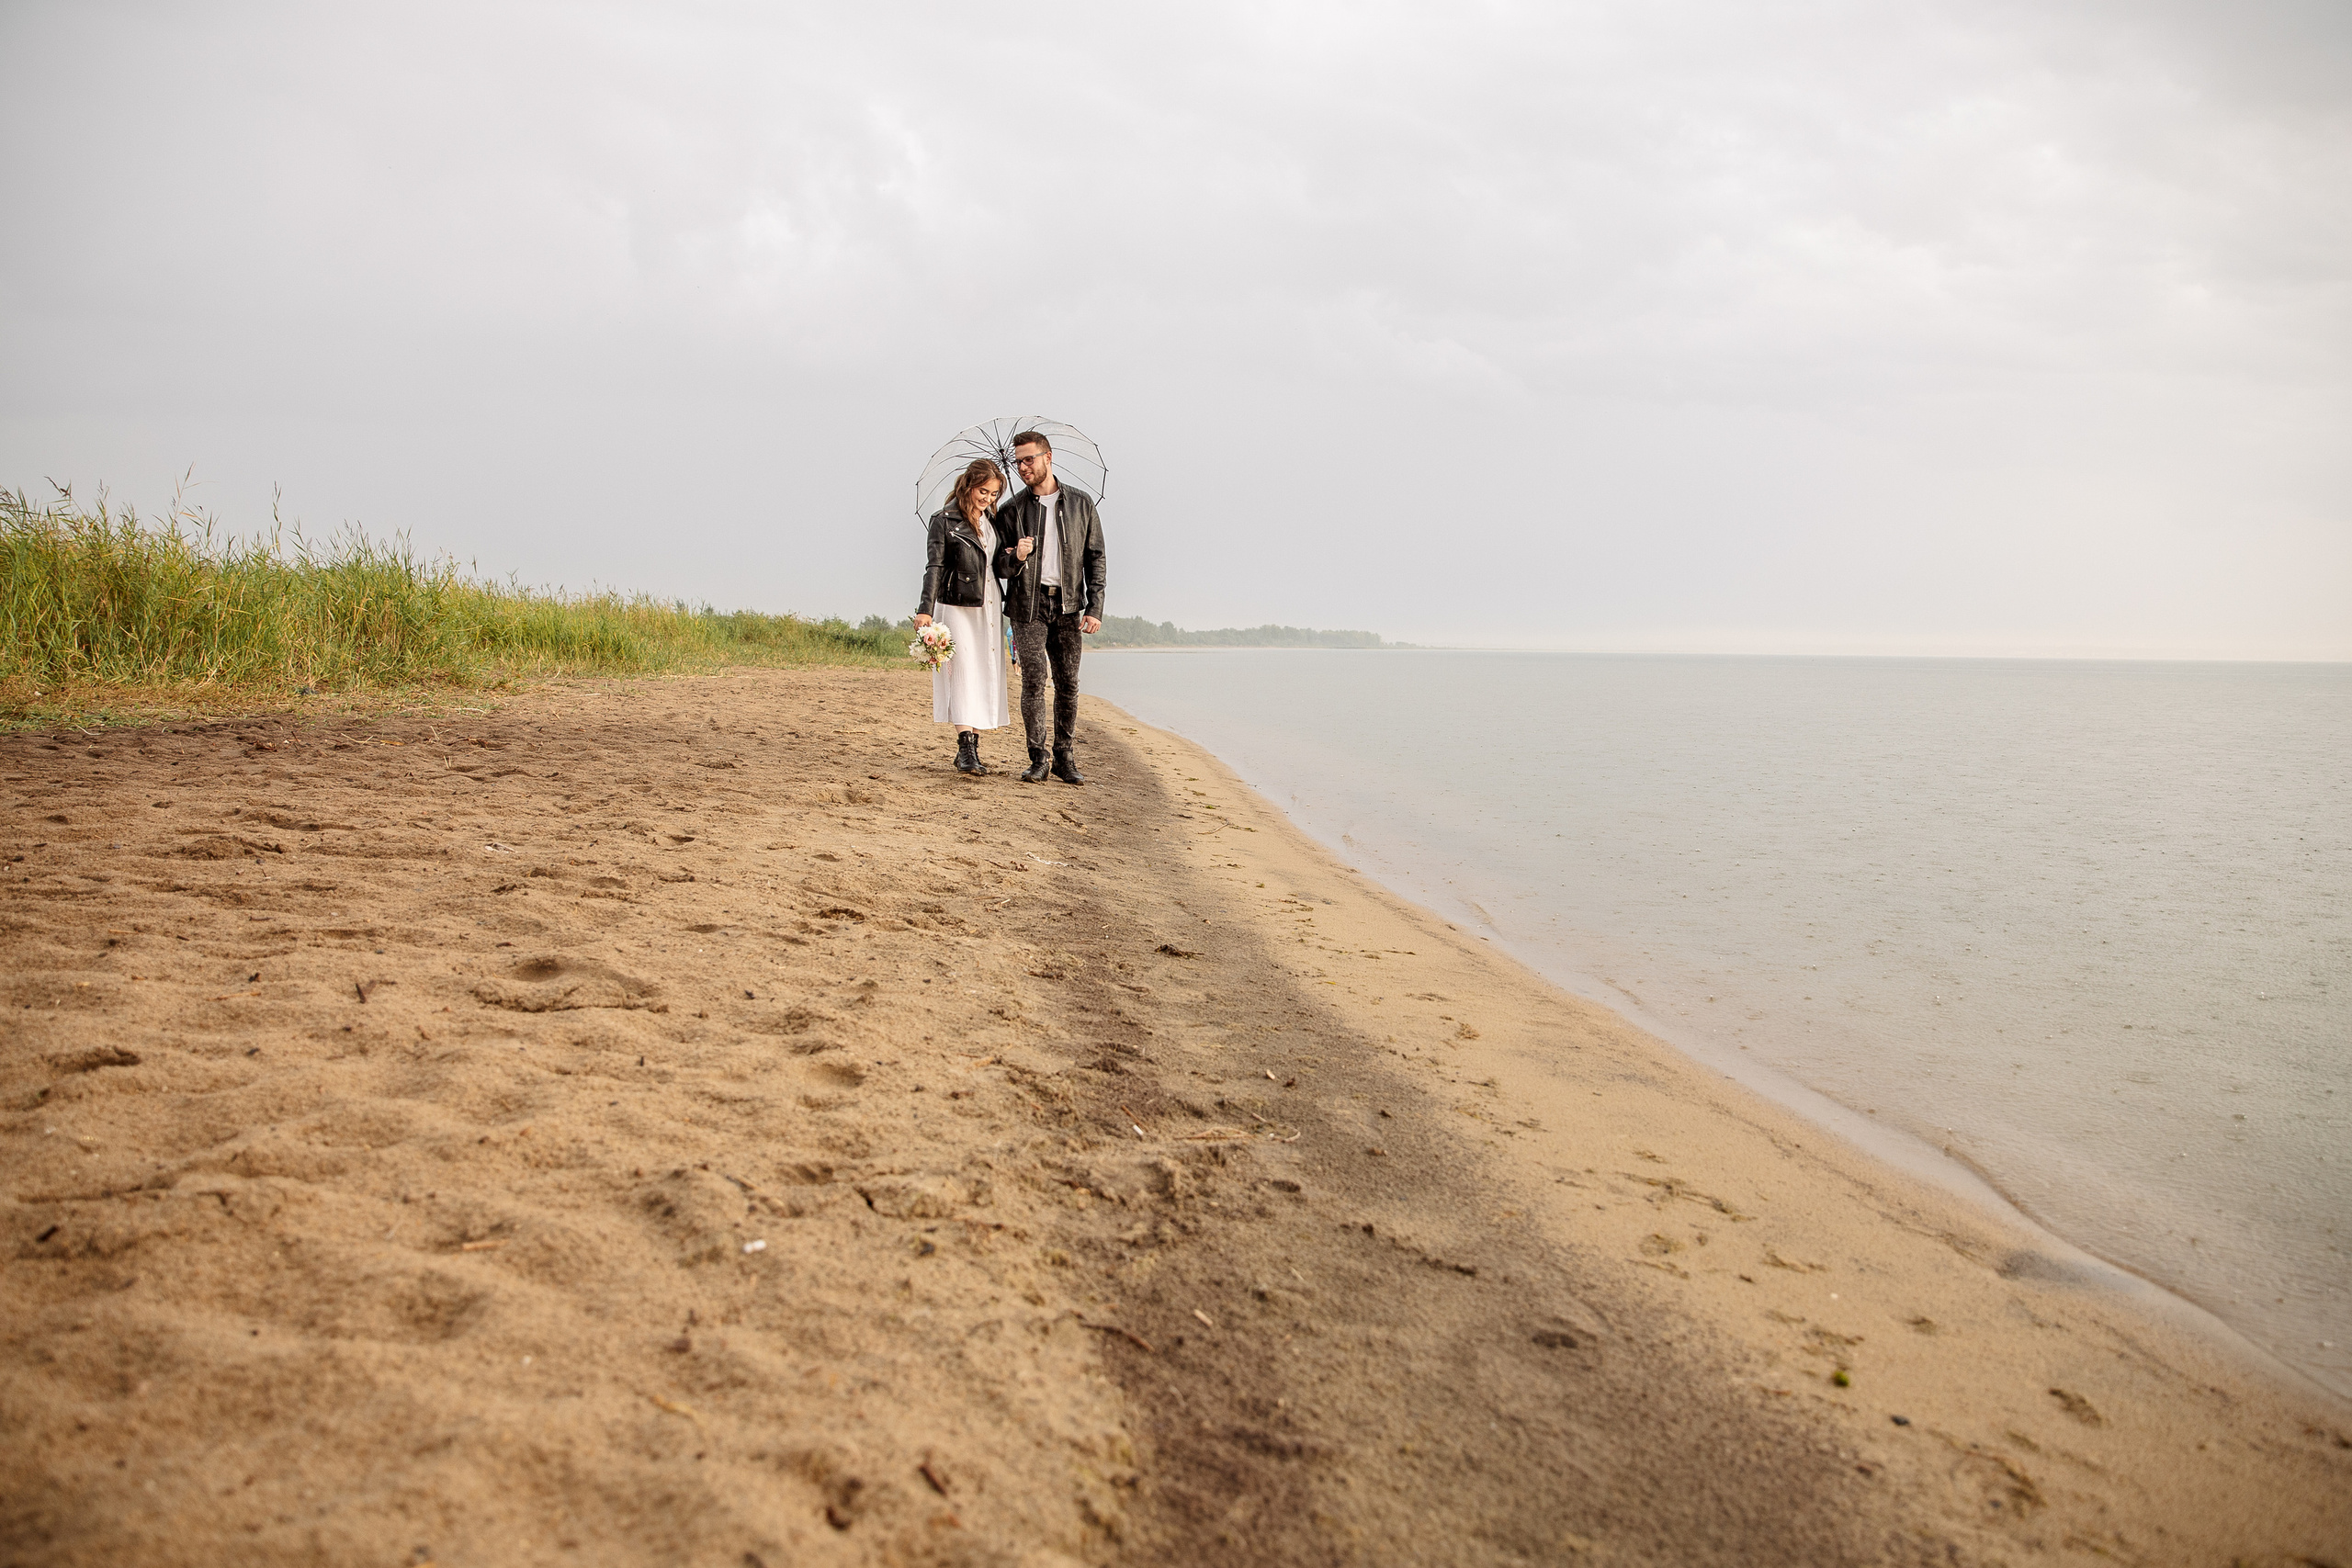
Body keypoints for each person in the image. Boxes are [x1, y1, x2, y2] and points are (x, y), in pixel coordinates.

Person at [992, 430, 1106, 784]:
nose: (1023, 467)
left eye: (1029, 459)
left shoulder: (1081, 503)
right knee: (1034, 680)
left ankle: (1064, 756)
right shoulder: (1012, 510)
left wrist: (1095, 607)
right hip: (1028, 604)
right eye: (1018, 461)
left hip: (1070, 605)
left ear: (1048, 456)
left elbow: (1096, 558)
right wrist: (1017, 557)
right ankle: (1038, 757)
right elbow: (998, 566)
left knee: (1068, 682)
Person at [913, 459, 1011, 773]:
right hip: (956, 605)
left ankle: (973, 749)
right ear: (968, 486)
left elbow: (997, 566)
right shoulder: (943, 520)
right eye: (984, 491)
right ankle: (965, 747)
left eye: (994, 494)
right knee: (963, 671)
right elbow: (935, 567)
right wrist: (925, 609)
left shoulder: (991, 522)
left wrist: (1016, 556)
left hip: (989, 605)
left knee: (983, 671)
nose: (988, 499)